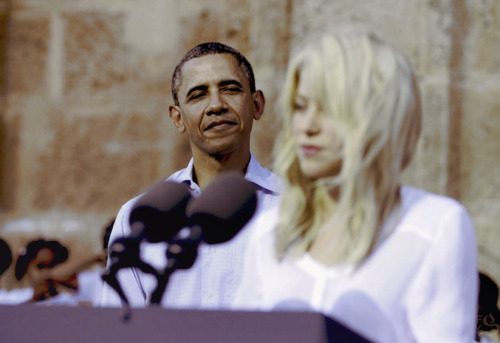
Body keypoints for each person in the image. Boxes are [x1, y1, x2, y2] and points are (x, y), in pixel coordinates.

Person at [233, 31, 478, 342]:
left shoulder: (434, 226)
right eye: (300, 106)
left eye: (329, 109)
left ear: (376, 116)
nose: (308, 126)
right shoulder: (271, 232)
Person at [99, 42, 282, 308]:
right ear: (177, 118)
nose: (216, 105)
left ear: (257, 104)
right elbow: (117, 327)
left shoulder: (295, 208)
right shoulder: (138, 219)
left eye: (230, 89)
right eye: (198, 95)